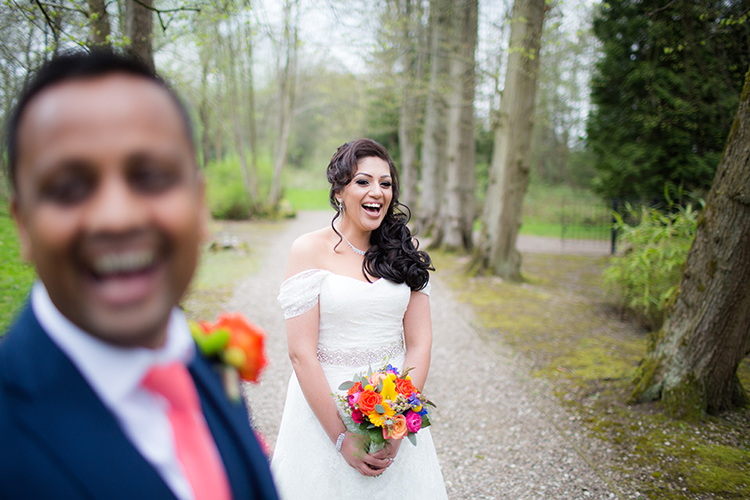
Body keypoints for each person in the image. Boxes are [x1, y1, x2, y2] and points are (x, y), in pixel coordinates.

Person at [0, 50, 279, 500]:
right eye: (69, 188)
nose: (117, 218)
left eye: (150, 176)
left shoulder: (205, 365)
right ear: (23, 225)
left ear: (199, 202)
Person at [272, 139, 448, 499]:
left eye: (386, 184)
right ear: (339, 190)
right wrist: (341, 437)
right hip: (322, 409)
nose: (377, 192)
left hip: (393, 406)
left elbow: (419, 343)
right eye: (363, 181)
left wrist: (398, 423)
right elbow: (301, 353)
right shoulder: (308, 250)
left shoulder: (404, 253)